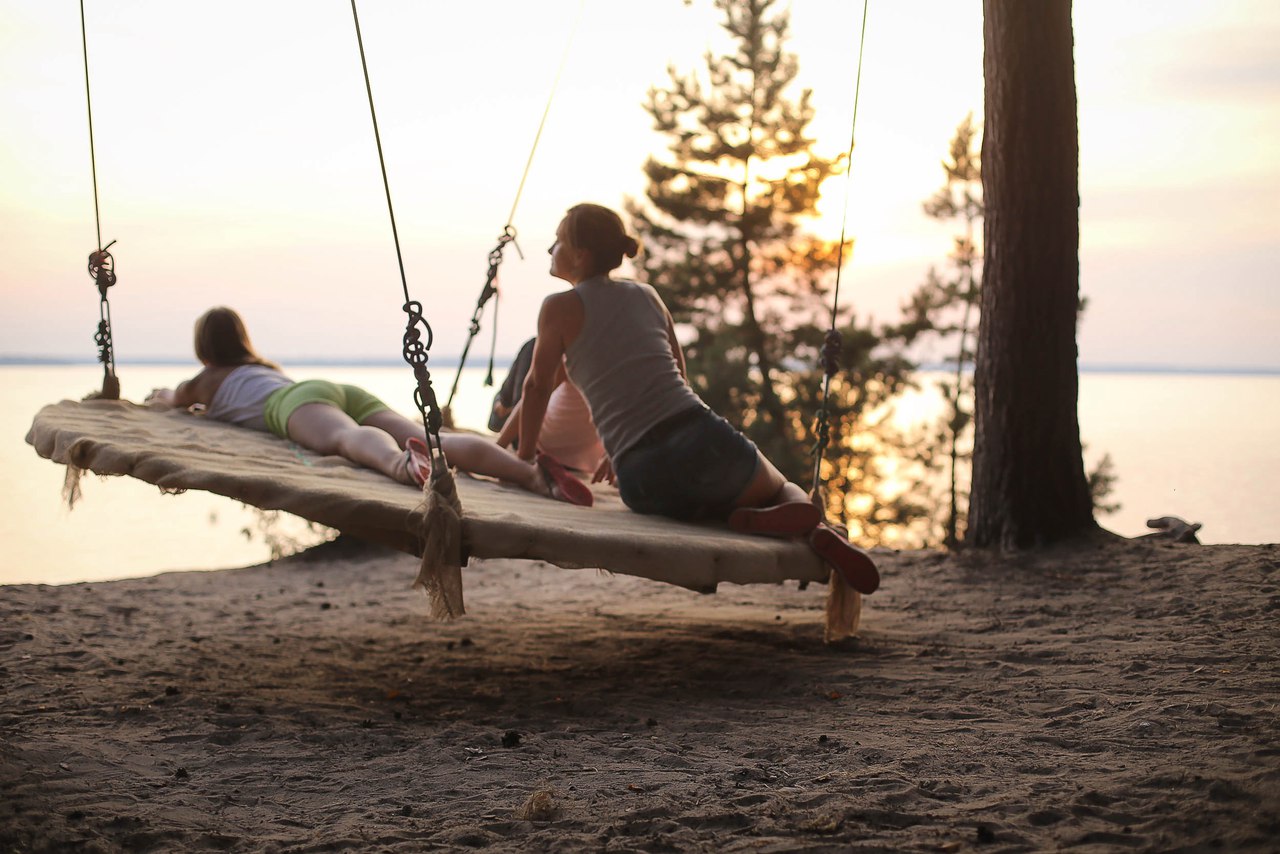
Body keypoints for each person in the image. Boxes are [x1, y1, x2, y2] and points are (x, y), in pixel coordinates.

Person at [513, 203, 879, 593]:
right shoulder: (648, 296)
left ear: (580, 255)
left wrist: (524, 458)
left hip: (640, 474)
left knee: (697, 499)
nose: (550, 249)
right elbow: (678, 369)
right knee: (776, 487)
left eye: (557, 241)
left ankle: (750, 515)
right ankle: (811, 525)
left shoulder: (557, 308)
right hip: (705, 440)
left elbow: (536, 387)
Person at [145, 307, 592, 505]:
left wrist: (157, 397)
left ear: (204, 348)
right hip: (332, 388)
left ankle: (399, 465)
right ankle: (533, 474)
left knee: (343, 438)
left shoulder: (206, 379)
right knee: (440, 438)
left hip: (293, 403)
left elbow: (171, 399)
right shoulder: (263, 366)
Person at [490, 337, 606, 475]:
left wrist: (498, 449)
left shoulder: (579, 352)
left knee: (534, 345)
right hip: (585, 462)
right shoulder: (631, 357)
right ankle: (503, 406)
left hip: (534, 444)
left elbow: (535, 390)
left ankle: (501, 408)